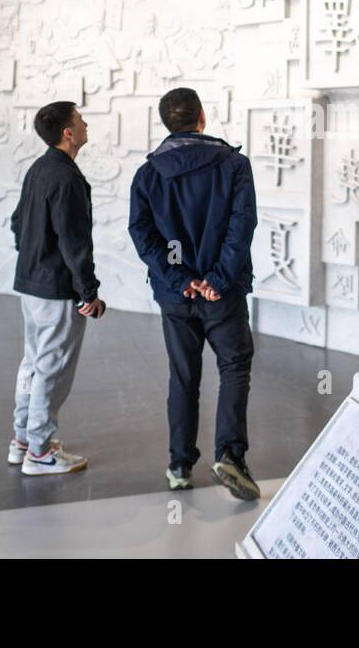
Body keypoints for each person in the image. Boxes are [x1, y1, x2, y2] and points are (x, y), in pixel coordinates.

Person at [129, 87, 260, 501]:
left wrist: (179, 278)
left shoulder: (148, 174)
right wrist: (216, 280)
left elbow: (143, 234)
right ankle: (231, 457)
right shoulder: (235, 165)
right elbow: (242, 227)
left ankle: (179, 464)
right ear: (202, 117)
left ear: (168, 122)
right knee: (234, 368)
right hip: (224, 294)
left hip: (176, 297)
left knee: (183, 376)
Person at [8, 101, 105, 475]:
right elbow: (74, 242)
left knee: (33, 363)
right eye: (80, 119)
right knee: (51, 369)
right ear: (68, 132)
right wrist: (88, 292)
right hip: (56, 290)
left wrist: (33, 258)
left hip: (31, 284)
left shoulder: (39, 169)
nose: (85, 123)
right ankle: (40, 452)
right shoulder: (66, 176)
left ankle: (23, 440)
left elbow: (18, 223)